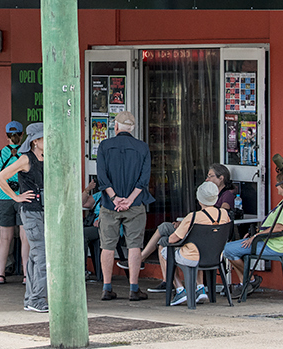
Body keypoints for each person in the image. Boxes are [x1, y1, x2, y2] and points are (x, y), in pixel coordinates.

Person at [119, 163, 237, 293]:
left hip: (199, 246)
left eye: (210, 176)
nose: (207, 179)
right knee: (166, 228)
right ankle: (199, 288)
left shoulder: (215, 204)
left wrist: (184, 228)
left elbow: (173, 239)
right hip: (212, 251)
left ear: (221, 178)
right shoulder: (216, 215)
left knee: (164, 244)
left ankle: (177, 287)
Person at [96, 111, 154, 302]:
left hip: (109, 204)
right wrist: (129, 200)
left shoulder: (104, 146)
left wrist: (114, 198)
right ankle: (134, 288)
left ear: (116, 126)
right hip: (135, 204)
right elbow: (144, 179)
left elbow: (102, 177)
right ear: (133, 128)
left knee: (107, 246)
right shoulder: (142, 147)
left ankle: (106, 287)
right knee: (135, 245)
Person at [223, 171, 283, 298]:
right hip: (268, 241)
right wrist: (256, 233)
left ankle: (248, 280)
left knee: (227, 249)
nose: (276, 187)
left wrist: (256, 236)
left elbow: (279, 227)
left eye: (277, 184)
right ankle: (247, 281)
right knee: (231, 248)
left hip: (273, 245)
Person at [0, 122, 47, 313]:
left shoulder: (45, 157)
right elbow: (0, 178)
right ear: (35, 141)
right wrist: (16, 196)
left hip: (43, 211)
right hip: (31, 212)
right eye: (43, 137)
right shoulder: (26, 159)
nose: (47, 140)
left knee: (35, 256)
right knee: (41, 255)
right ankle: (37, 298)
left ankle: (31, 298)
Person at [158, 181, 231, 306]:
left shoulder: (193, 216)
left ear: (199, 199)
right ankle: (200, 288)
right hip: (216, 257)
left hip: (193, 257)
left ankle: (180, 289)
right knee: (198, 248)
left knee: (164, 249)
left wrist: (167, 238)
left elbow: (173, 239)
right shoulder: (224, 214)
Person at [0, 120, 29, 285]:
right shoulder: (26, 154)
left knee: (5, 237)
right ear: (22, 135)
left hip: (4, 197)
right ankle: (26, 274)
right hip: (23, 196)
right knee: (24, 237)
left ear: (6, 136)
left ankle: (1, 274)